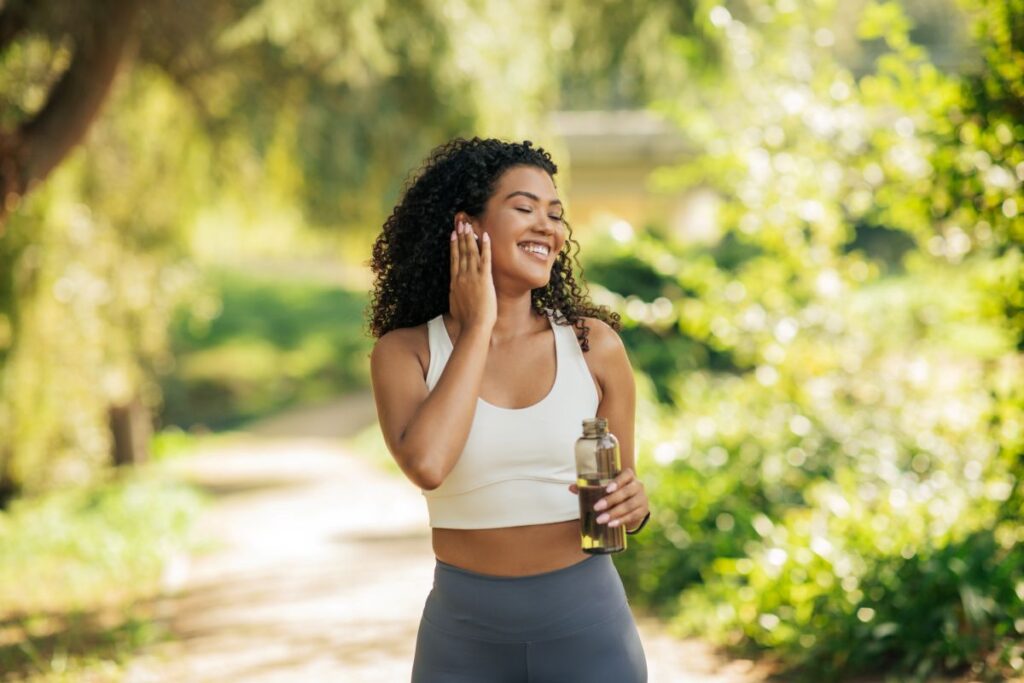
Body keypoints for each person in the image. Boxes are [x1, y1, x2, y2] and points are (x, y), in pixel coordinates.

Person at [367, 137, 651, 682]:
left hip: (589, 626)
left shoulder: (596, 347)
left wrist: (634, 507)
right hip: (463, 638)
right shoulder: (405, 353)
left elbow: (620, 495)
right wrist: (477, 326)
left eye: (555, 214)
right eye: (524, 208)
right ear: (466, 228)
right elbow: (427, 464)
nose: (548, 226)